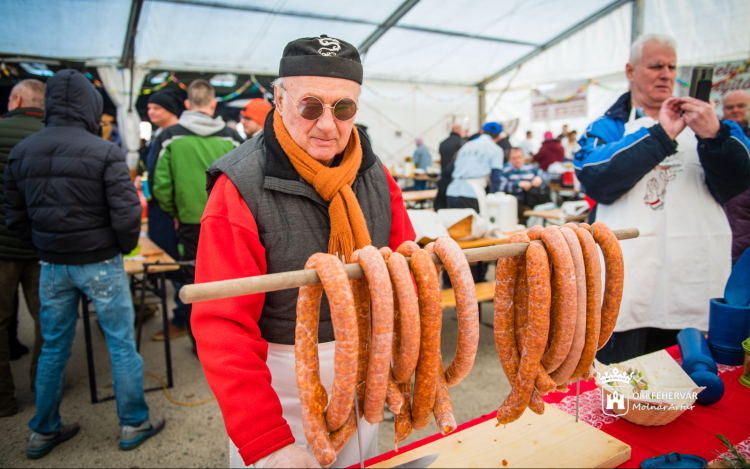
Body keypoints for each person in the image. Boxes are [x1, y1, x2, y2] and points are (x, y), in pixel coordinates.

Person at [191, 35, 416, 468]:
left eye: (343, 108)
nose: (328, 125)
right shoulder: (238, 186)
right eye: (310, 105)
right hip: (280, 385)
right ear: (279, 98)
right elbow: (222, 324)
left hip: (363, 380)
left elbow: (402, 269)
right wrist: (267, 442)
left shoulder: (376, 174)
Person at [4, 69, 165, 458]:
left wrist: (45, 245)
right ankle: (132, 423)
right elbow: (127, 215)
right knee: (122, 345)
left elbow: (14, 215)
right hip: (100, 262)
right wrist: (119, 248)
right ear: (89, 106)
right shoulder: (103, 150)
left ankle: (43, 431)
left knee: (53, 347)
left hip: (53, 265)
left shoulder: (23, 151)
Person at [574, 34, 750, 364]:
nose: (666, 73)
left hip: (692, 273)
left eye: (671, 66)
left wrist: (713, 136)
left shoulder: (711, 123)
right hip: (628, 279)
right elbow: (595, 179)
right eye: (656, 66)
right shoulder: (607, 126)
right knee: (623, 381)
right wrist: (661, 135)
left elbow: (739, 180)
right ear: (630, 70)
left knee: (691, 377)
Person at [151, 79, 243, 347]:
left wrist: (174, 212)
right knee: (227, 276)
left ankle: (200, 340)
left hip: (190, 221)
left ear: (188, 104)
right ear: (213, 104)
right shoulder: (232, 137)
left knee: (194, 279)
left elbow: (160, 185)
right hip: (227, 220)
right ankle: (227, 337)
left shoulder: (169, 137)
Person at [0, 79, 45, 418]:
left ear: (15, 99)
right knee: (48, 323)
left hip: (4, 246)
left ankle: (4, 400)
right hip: (42, 245)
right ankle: (41, 390)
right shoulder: (50, 136)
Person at [139, 89, 189, 341]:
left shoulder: (176, 136)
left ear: (170, 109)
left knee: (178, 266)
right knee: (172, 264)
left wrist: (173, 210)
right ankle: (182, 314)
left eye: (156, 107)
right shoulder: (161, 135)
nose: (151, 112)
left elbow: (174, 180)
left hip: (175, 215)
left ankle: (183, 317)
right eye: (149, 108)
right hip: (166, 211)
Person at [445, 121, 505, 215]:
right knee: (473, 227)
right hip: (472, 193)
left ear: (482, 132)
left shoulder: (466, 146)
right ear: (499, 136)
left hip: (452, 191)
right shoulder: (496, 149)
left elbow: (454, 168)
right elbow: (496, 177)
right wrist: (494, 196)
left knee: (455, 226)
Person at [721, 90, 750, 264]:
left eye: (741, 106)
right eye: (729, 107)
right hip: (727, 224)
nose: (735, 110)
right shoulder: (715, 140)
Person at [494, 147, 550, 224]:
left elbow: (546, 177)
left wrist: (540, 179)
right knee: (526, 212)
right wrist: (518, 184)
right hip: (514, 204)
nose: (517, 160)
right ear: (509, 159)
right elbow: (500, 187)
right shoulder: (505, 170)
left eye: (519, 157)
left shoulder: (531, 167)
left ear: (523, 157)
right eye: (514, 158)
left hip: (533, 201)